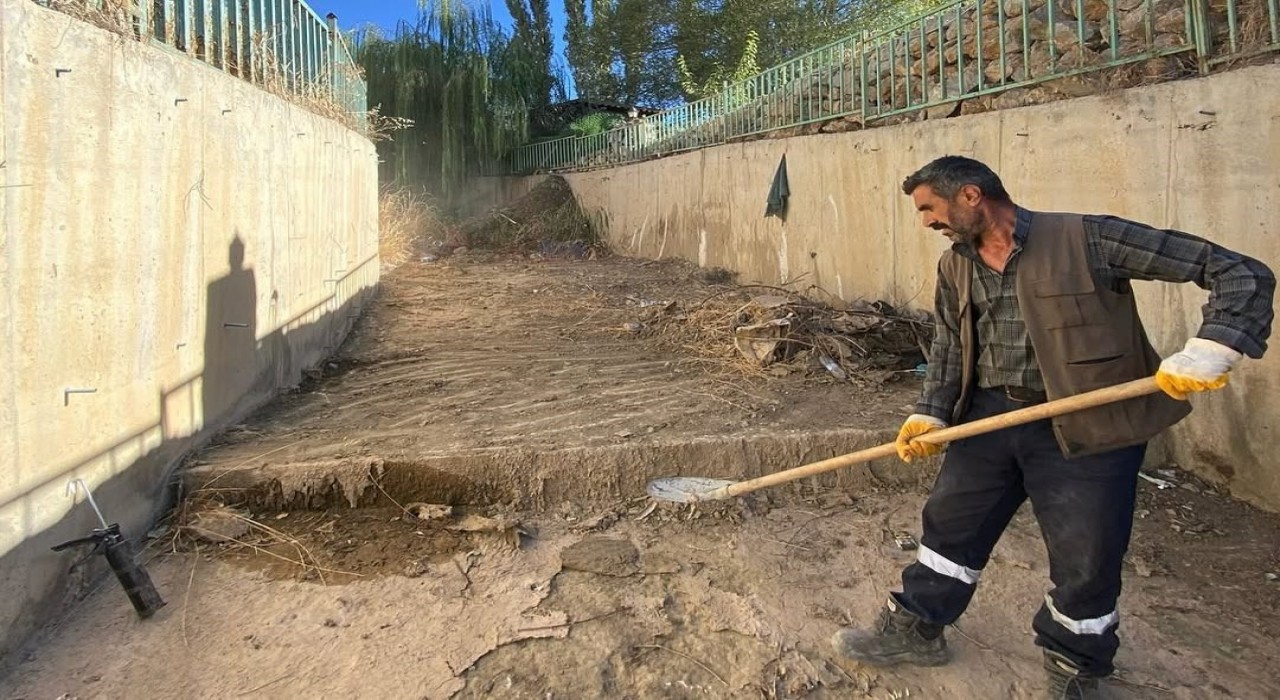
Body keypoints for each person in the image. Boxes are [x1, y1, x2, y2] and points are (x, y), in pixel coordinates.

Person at [830, 156, 1275, 699]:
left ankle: (1075, 666)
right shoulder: (956, 266)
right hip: (990, 418)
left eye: (929, 208)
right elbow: (949, 346)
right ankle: (918, 627)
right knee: (950, 526)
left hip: (1088, 423)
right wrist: (933, 410)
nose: (926, 222)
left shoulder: (1088, 239)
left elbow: (1240, 271)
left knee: (1087, 554)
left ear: (971, 196)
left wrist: (1215, 345)